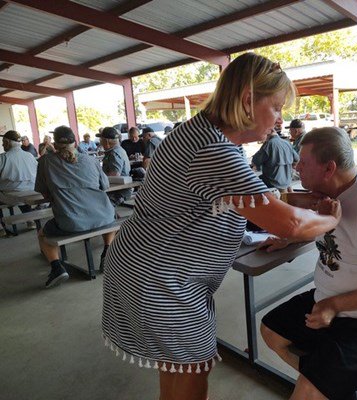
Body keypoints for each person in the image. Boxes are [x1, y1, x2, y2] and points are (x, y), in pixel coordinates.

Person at [102, 52, 341, 400]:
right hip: (162, 279)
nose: (279, 119)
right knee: (190, 377)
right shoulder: (212, 149)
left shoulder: (201, 133)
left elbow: (221, 203)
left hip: (150, 266)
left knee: (180, 370)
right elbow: (291, 224)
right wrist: (330, 218)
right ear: (248, 101)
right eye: (275, 107)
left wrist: (253, 230)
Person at [260, 127, 357, 400]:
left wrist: (333, 305)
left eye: (303, 162)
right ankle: (333, 388)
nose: (297, 167)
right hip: (328, 300)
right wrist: (290, 239)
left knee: (306, 393)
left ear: (329, 168)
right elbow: (330, 236)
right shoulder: (329, 197)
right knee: (271, 332)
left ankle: (319, 387)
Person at [35, 125, 116, 288]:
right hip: (104, 216)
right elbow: (105, 186)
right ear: (76, 142)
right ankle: (107, 250)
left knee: (43, 234)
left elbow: (44, 193)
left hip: (71, 221)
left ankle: (57, 267)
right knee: (110, 218)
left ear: (55, 145)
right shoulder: (91, 160)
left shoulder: (45, 162)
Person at [0, 130, 39, 236]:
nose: (2, 144)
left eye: (3, 142)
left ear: (7, 142)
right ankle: (30, 220)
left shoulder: (3, 158)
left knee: (14, 192)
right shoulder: (30, 156)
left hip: (10, 196)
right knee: (21, 192)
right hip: (31, 192)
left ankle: (0, 228)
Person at [97, 126, 132, 206]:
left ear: (106, 141)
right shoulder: (116, 151)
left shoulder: (114, 154)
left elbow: (115, 176)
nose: (100, 141)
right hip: (118, 189)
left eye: (101, 139)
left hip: (118, 191)